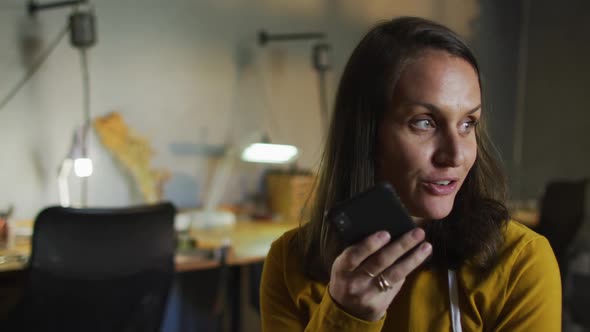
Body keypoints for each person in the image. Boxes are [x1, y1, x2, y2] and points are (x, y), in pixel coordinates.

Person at [260, 16, 561, 331]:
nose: (455, 155)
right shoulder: (287, 262)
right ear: (366, 132)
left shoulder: (520, 262)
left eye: (468, 123)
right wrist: (346, 316)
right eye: (424, 122)